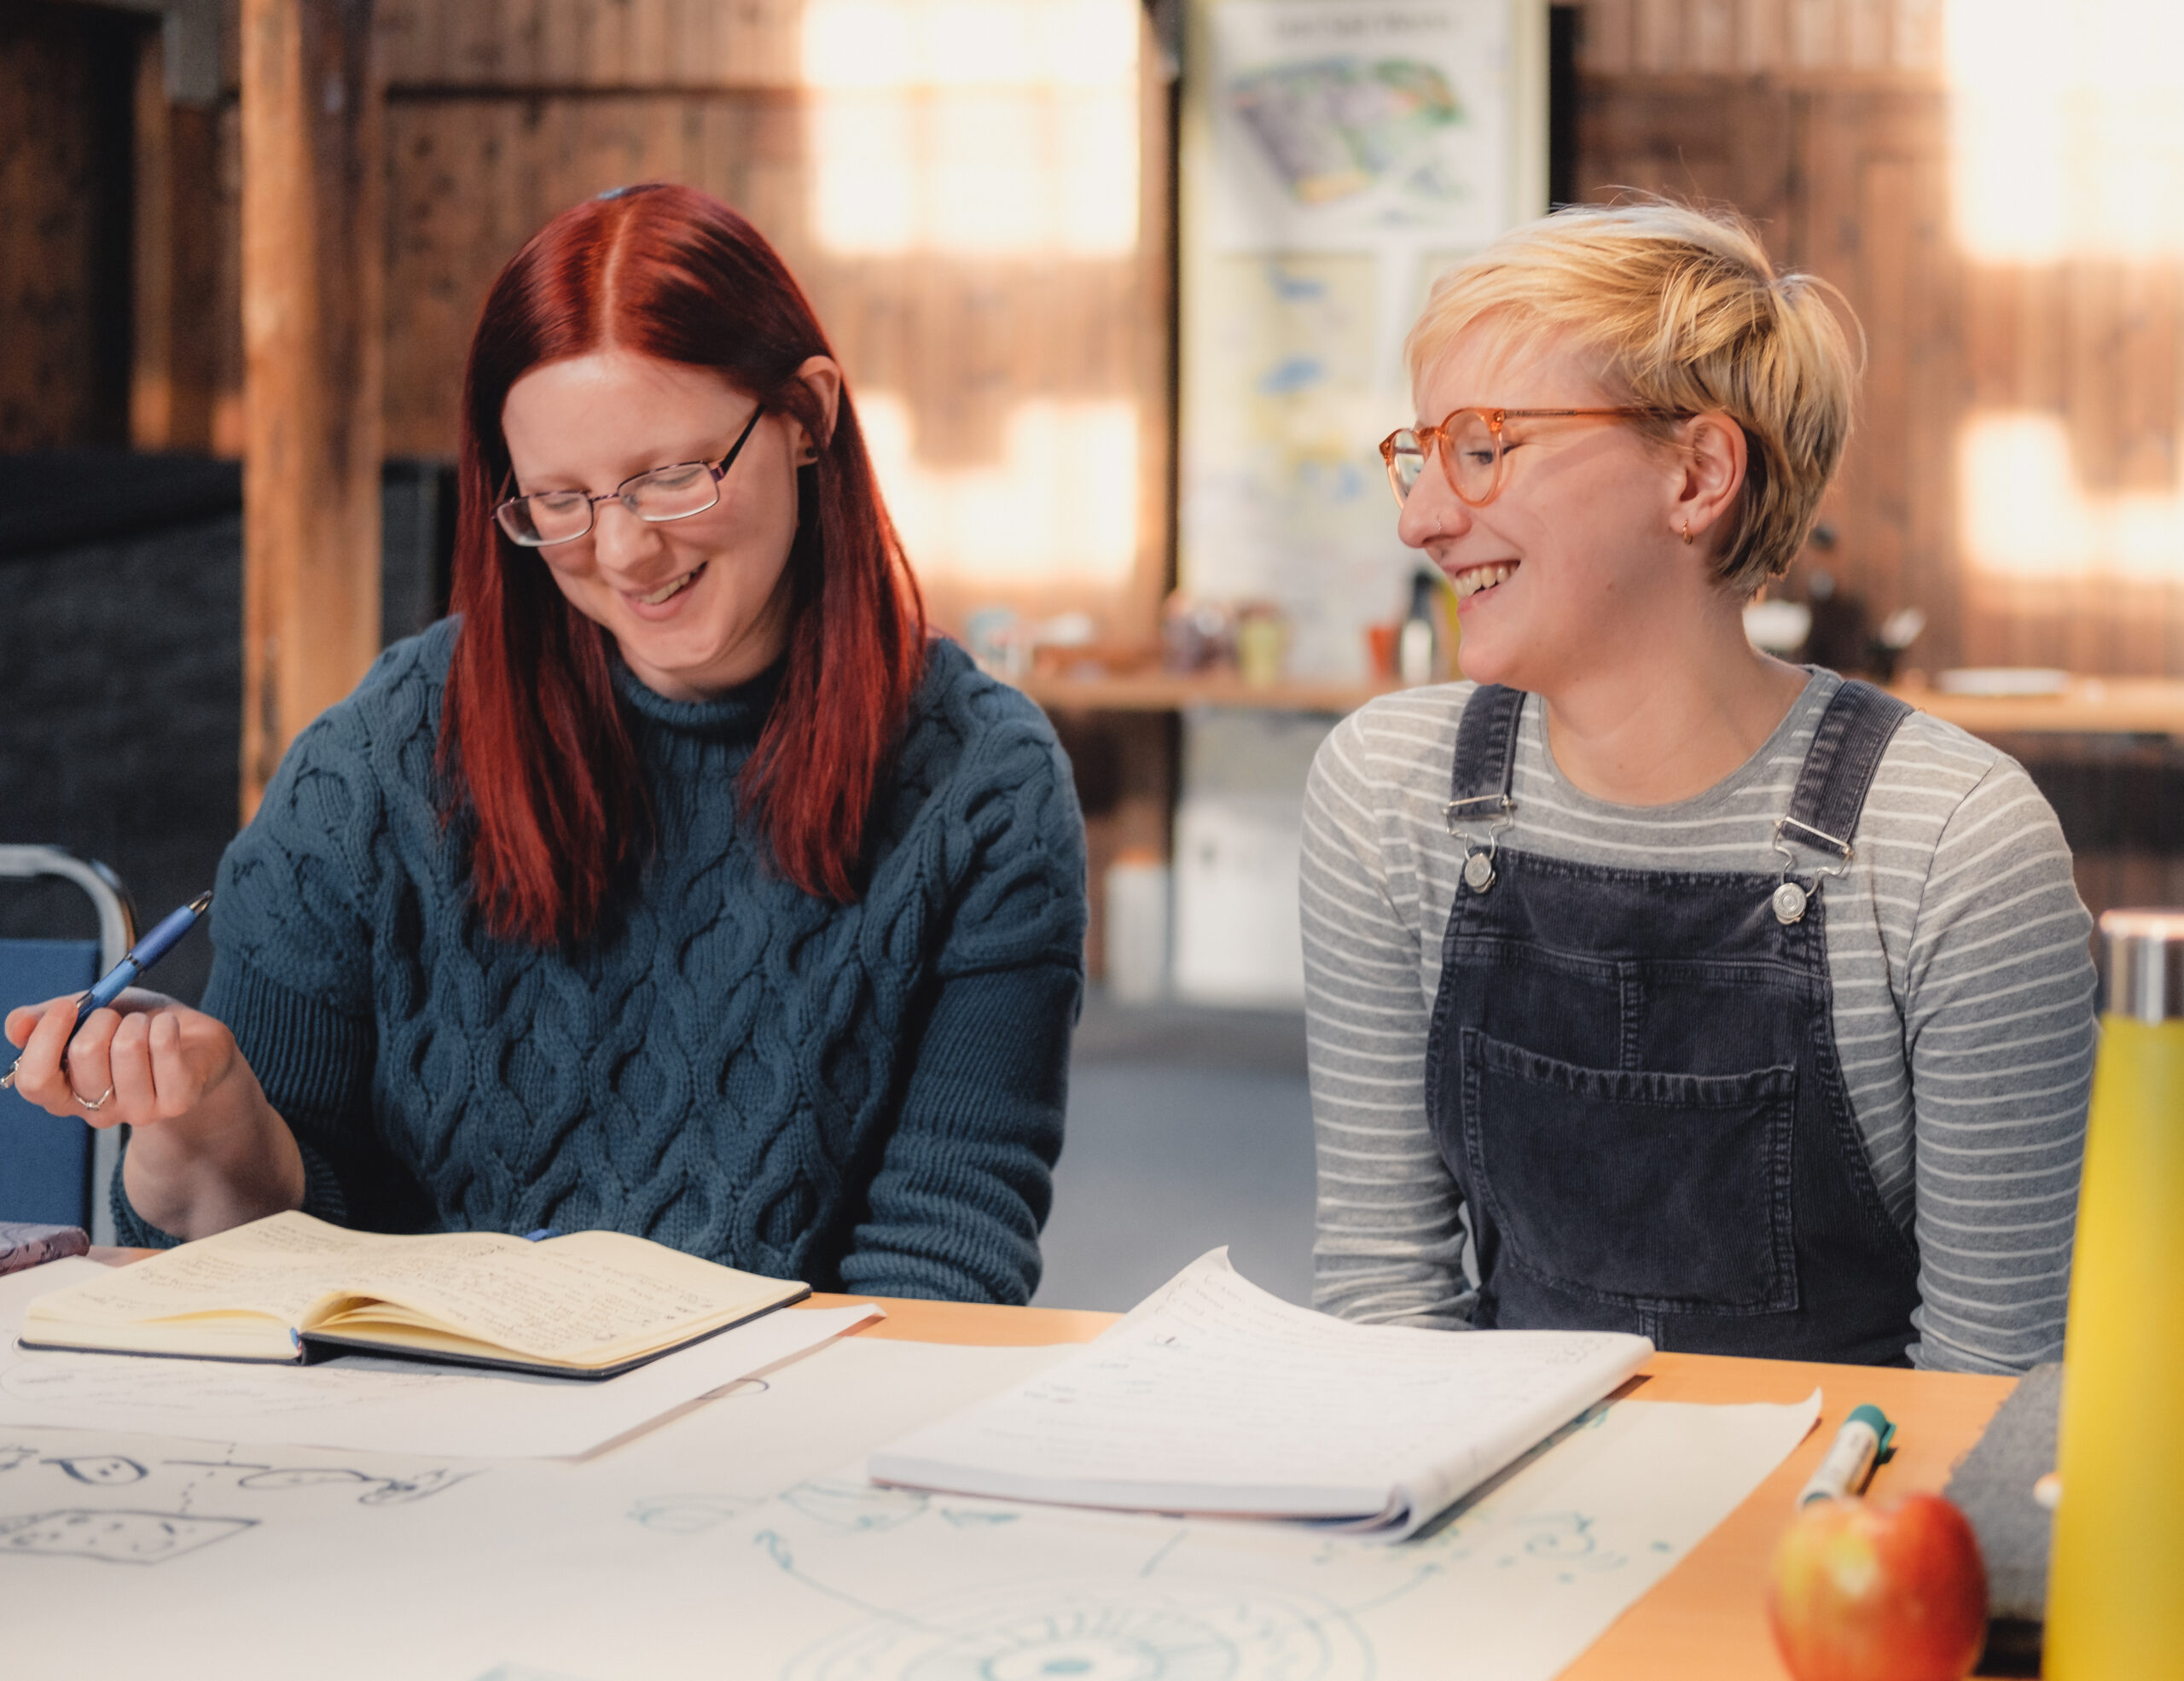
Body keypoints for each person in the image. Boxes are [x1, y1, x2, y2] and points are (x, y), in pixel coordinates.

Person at [4, 184, 1087, 1304]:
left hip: (765, 1444)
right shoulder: (378, 762)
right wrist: (212, 1124)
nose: (622, 550)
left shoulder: (980, 787)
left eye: (672, 475)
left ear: (807, 419)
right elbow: (255, 1263)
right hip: (399, 1428)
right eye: (558, 500)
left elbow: (939, 1266)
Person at [1302, 201, 2094, 1373]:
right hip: (1503, 1521)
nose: (1422, 517)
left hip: (1842, 1528)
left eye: (1481, 445)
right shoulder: (1387, 791)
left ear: (1697, 472)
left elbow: (1998, 1385)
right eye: (1419, 457)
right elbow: (1387, 1300)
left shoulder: (1953, 844)